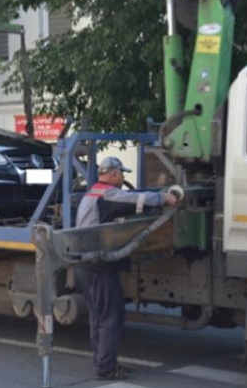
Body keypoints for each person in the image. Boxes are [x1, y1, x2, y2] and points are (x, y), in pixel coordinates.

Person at [75, 156, 179, 380]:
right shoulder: (108, 193)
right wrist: (165, 198)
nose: (123, 179)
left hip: (88, 264)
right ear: (113, 174)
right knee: (111, 316)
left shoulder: (94, 192)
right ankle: (106, 367)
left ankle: (103, 362)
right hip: (97, 265)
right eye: (122, 174)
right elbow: (133, 199)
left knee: (100, 317)